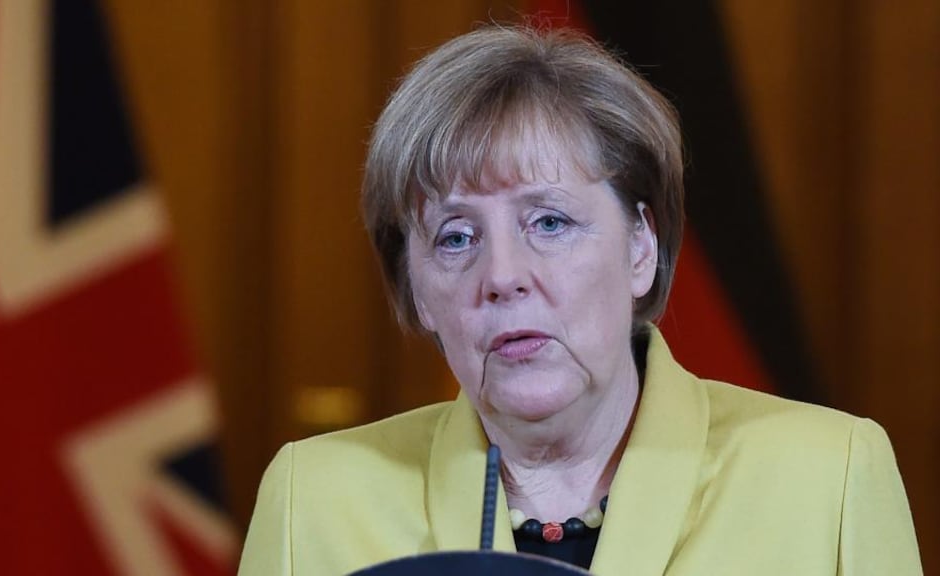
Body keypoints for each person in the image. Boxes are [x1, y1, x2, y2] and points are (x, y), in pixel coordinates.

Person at [238, 25, 921, 575]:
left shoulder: (828, 476)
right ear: (414, 289)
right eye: (456, 237)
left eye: (549, 222)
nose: (503, 275)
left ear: (640, 247)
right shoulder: (313, 500)